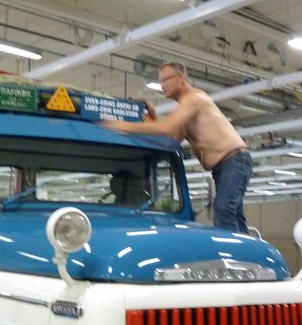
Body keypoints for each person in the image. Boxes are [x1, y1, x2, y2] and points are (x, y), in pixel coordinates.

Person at [101, 61, 253, 232]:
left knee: (224, 209)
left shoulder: (194, 98)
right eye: (160, 81)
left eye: (165, 80)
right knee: (233, 215)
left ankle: (232, 247)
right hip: (226, 166)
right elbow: (171, 139)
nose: (162, 85)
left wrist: (124, 126)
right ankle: (247, 246)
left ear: (180, 78)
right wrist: (153, 115)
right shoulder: (184, 109)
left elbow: (168, 128)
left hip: (234, 161)